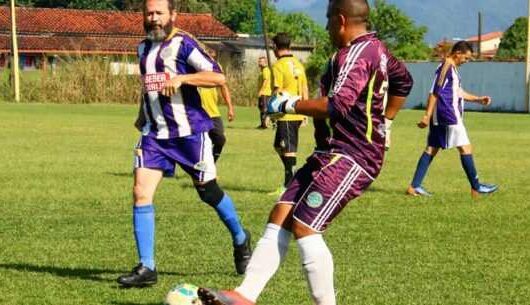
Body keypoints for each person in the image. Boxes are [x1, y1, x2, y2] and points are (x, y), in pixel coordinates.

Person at [197, 1, 413, 304]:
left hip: (354, 156)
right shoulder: (377, 50)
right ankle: (245, 295)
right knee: (281, 214)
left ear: (340, 20)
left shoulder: (357, 54)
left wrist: (289, 104)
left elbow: (337, 105)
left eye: (327, 21)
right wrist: (386, 122)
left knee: (306, 225)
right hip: (330, 153)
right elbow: (404, 80)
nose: (325, 28)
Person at [117, 0, 251, 288]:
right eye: (149, 13)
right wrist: (142, 116)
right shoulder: (142, 49)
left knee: (208, 192)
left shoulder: (185, 44)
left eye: (159, 13)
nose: (153, 18)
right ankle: (147, 267)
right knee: (141, 192)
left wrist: (183, 78)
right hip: (154, 136)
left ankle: (241, 238)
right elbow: (149, 88)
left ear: (172, 15)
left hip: (190, 134)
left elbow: (218, 76)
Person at [406, 40, 498, 198]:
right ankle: (476, 187)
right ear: (458, 54)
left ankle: (414, 186)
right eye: (466, 58)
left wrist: (478, 99)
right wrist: (427, 115)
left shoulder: (452, 69)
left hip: (443, 115)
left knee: (431, 148)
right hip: (448, 115)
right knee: (465, 147)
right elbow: (434, 92)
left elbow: (458, 92)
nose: (466, 61)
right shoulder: (446, 66)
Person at [268, 32, 309, 196]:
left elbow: (277, 90)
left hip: (287, 112)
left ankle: (289, 185)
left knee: (289, 149)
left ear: (275, 48)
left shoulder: (278, 65)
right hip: (298, 109)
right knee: (278, 146)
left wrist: (269, 111)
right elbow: (305, 88)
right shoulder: (298, 63)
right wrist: (305, 111)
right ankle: (291, 172)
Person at [199, 48, 235, 163]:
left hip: (213, 112)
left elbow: (223, 87)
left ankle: (211, 165)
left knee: (220, 140)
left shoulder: (216, 68)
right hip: (198, 113)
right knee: (199, 143)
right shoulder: (193, 68)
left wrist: (230, 107)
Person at [257, 56, 271, 129]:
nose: (259, 63)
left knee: (264, 109)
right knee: (261, 107)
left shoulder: (265, 70)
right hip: (263, 93)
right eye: (259, 61)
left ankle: (265, 124)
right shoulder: (262, 71)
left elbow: (265, 81)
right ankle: (263, 124)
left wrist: (261, 91)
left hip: (265, 93)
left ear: (265, 62)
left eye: (261, 61)